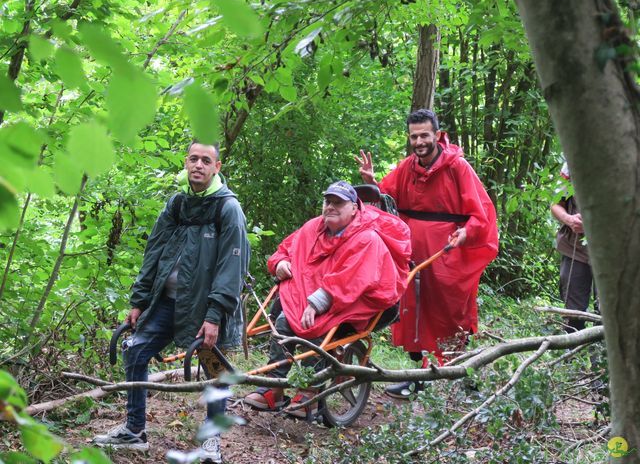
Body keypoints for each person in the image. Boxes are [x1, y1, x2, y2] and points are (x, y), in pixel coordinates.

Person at [94, 141, 249, 464]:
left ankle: (211, 445)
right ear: (186, 162)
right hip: (167, 302)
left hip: (205, 309)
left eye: (206, 160)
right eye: (193, 159)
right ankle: (134, 430)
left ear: (217, 167)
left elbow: (231, 267)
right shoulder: (177, 204)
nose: (198, 165)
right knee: (135, 350)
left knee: (214, 370)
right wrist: (139, 301)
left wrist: (215, 315)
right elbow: (154, 252)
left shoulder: (228, 209)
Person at [356, 109, 498, 398]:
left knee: (449, 313)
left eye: (424, 135)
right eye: (414, 136)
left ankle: (463, 376)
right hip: (413, 251)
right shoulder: (408, 166)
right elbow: (387, 198)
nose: (419, 141)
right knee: (414, 310)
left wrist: (465, 233)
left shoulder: (458, 167)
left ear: (437, 134)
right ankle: (417, 379)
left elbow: (480, 213)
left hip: (448, 252)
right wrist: (371, 182)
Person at [244, 181, 411, 416]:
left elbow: (351, 279)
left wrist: (316, 303)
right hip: (313, 295)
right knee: (282, 321)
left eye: (338, 203)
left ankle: (310, 391)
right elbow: (285, 249)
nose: (331, 207)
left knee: (317, 327)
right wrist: (280, 262)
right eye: (328, 201)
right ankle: (274, 387)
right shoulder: (313, 228)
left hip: (351, 302)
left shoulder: (367, 238)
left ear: (354, 208)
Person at [551, 161, 597, 331]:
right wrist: (569, 220)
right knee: (573, 312)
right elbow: (556, 205)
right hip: (576, 247)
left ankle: (603, 357)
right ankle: (571, 354)